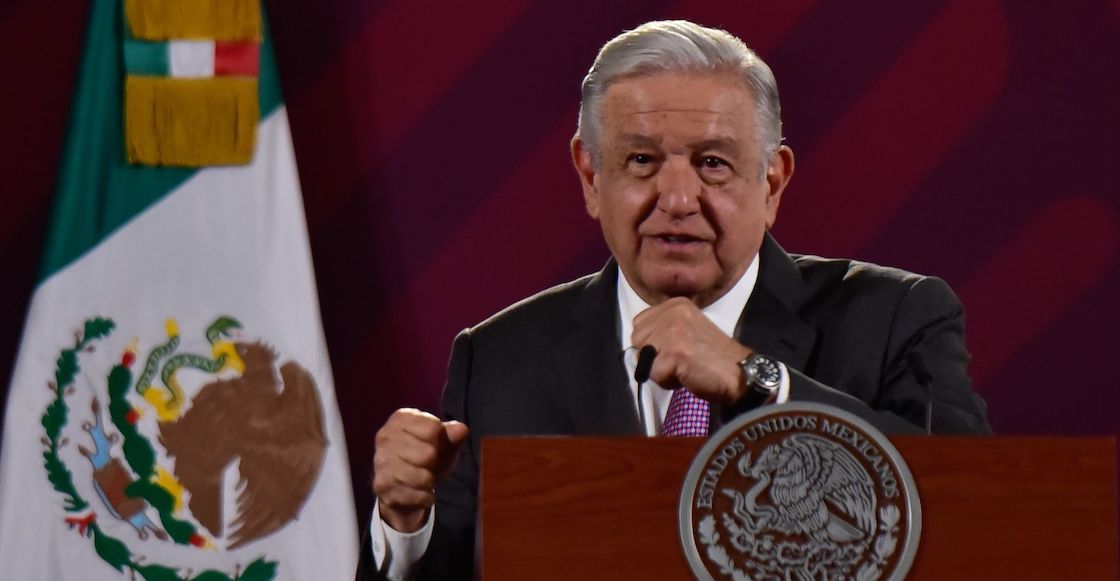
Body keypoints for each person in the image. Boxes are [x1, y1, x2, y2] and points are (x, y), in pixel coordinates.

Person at [356, 19, 991, 580]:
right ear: (590, 175)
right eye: (641, 160)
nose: (679, 199)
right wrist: (405, 527)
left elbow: (978, 514)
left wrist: (757, 379)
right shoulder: (500, 359)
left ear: (772, 182)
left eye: (713, 163)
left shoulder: (895, 319)